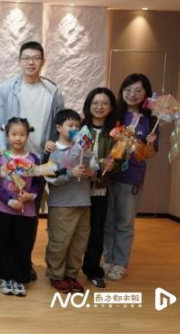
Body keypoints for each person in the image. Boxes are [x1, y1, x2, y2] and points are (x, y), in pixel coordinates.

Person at [0, 41, 64, 280]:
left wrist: (53, 146)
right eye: (26, 58)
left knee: (29, 215)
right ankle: (6, 266)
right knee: (8, 214)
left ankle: (24, 263)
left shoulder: (52, 91)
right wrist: (2, 152)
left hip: (38, 162)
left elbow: (59, 125)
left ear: (43, 61)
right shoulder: (6, 89)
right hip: (12, 161)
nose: (31, 62)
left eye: (36, 58)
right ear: (19, 60)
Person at [103, 74, 158, 281]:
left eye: (138, 90)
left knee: (125, 222)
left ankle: (120, 263)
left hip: (132, 177)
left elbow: (149, 154)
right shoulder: (113, 114)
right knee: (108, 221)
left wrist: (148, 143)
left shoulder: (150, 121)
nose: (132, 94)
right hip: (109, 175)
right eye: (128, 89)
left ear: (146, 94)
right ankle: (107, 259)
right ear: (122, 91)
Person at [44, 109, 98, 293]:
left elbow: (95, 168)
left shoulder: (84, 149)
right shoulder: (53, 150)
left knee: (78, 243)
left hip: (83, 202)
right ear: (59, 128)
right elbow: (50, 176)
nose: (75, 128)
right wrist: (70, 173)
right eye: (70, 125)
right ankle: (56, 275)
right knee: (60, 242)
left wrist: (91, 172)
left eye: (77, 125)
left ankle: (71, 275)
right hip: (61, 204)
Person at [0, 118, 44, 297]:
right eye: (14, 134)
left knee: (23, 245)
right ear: (7, 135)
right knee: (4, 244)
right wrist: (9, 200)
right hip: (4, 211)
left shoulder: (33, 159)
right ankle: (5, 277)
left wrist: (31, 196)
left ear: (27, 136)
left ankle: (20, 278)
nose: (18, 138)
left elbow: (38, 183)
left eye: (22, 134)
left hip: (26, 212)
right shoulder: (2, 158)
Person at [80, 88, 118, 288]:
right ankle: (68, 269)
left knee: (96, 232)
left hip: (100, 189)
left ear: (111, 107)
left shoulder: (115, 133)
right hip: (77, 189)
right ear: (89, 105)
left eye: (104, 103)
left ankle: (92, 269)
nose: (99, 107)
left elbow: (120, 162)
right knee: (75, 231)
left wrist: (112, 166)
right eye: (95, 103)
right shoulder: (78, 128)